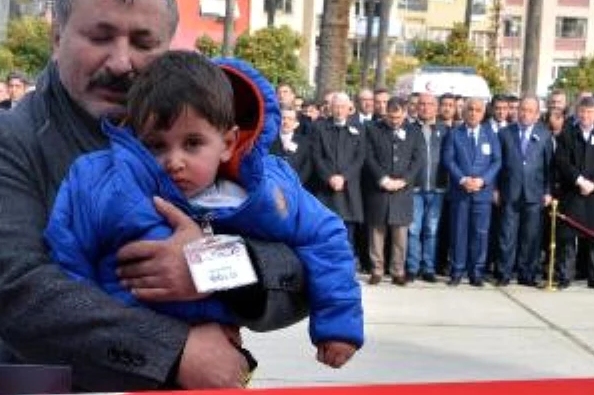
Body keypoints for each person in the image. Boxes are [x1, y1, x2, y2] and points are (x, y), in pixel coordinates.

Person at [0, 0, 308, 392]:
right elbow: (17, 293)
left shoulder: (216, 137)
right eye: (100, 37)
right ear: (57, 36)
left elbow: (300, 264)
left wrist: (208, 266)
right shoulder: (5, 137)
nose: (122, 62)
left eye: (144, 44)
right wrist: (176, 350)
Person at [46, 52, 362, 371]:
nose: (174, 161)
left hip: (217, 363)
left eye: (192, 143)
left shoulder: (266, 191)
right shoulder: (104, 182)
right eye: (156, 145)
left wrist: (337, 325)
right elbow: (68, 260)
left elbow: (325, 237)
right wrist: (97, 345)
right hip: (124, 362)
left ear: (227, 142)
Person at [552, 95, 594, 289]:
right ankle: (565, 275)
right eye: (582, 111)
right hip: (573, 192)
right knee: (568, 238)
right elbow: (562, 161)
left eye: (590, 112)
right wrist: (579, 180)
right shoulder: (567, 134)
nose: (586, 115)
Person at [363, 96, 423, 286]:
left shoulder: (414, 132)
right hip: (379, 188)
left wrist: (404, 180)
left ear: (405, 113)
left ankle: (398, 271)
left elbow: (418, 159)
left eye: (397, 118)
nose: (394, 121)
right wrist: (382, 178)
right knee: (377, 232)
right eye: (390, 117)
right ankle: (377, 270)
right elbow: (368, 156)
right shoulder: (373, 129)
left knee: (400, 234)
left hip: (402, 190)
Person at [443, 96, 501, 287]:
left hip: (482, 193)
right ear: (463, 111)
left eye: (477, 110)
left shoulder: (490, 134)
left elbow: (496, 161)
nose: (473, 113)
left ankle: (476, 271)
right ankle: (457, 271)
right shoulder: (454, 134)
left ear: (483, 113)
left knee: (480, 233)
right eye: (470, 109)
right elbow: (449, 160)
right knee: (459, 232)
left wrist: (482, 180)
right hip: (460, 192)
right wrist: (463, 179)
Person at [496, 95, 551, 287]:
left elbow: (549, 167)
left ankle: (527, 273)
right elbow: (497, 164)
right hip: (510, 191)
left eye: (530, 111)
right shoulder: (505, 133)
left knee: (531, 236)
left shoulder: (544, 135)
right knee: (507, 235)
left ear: (537, 115)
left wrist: (548, 191)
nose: (525, 114)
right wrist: (495, 189)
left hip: (534, 194)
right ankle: (504, 272)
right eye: (522, 109)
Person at [311, 91, 366, 266]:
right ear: (330, 108)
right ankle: (326, 264)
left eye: (343, 107)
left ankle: (346, 266)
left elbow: (360, 157)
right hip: (326, 188)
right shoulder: (320, 128)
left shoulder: (359, 128)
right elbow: (316, 156)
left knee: (347, 230)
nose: (339, 110)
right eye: (336, 106)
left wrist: (344, 177)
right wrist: (329, 177)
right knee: (325, 228)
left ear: (349, 108)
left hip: (349, 188)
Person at [407, 92, 449, 282]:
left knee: (431, 230)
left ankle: (428, 268)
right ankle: (413, 268)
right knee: (413, 230)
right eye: (421, 104)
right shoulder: (408, 129)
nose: (425, 107)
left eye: (429, 104)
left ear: (436, 107)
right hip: (414, 188)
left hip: (437, 188)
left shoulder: (445, 129)